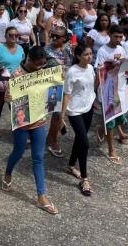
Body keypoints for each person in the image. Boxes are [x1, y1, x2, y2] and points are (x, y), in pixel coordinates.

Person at [2, 46, 58, 215]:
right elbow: (11, 103)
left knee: (38, 158)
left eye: (43, 64)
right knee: (18, 153)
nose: (41, 67)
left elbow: (52, 92)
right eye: (38, 64)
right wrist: (8, 99)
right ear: (29, 60)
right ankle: (8, 173)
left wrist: (57, 83)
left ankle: (42, 196)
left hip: (39, 122)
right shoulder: (17, 76)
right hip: (22, 125)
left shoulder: (45, 72)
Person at [61, 44, 95, 195]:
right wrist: (62, 116)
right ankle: (84, 178)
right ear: (78, 56)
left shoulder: (91, 69)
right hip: (74, 110)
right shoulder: (72, 72)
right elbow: (67, 94)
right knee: (85, 143)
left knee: (80, 140)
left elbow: (92, 87)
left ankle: (70, 165)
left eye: (91, 54)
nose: (89, 57)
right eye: (86, 54)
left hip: (88, 107)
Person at [95, 25, 128, 163]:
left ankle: (101, 128)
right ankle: (111, 150)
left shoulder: (121, 49)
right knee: (110, 120)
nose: (118, 39)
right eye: (115, 36)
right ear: (109, 35)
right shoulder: (102, 51)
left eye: (120, 37)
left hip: (119, 88)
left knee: (118, 117)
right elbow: (99, 71)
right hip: (107, 89)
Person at [0, 26, 25, 137]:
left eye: (16, 35)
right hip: (2, 81)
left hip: (17, 81)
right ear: (5, 36)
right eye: (11, 35)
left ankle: (19, 128)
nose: (14, 37)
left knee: (18, 106)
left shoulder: (20, 48)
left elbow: (21, 62)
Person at [44, 26, 73, 157]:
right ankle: (51, 140)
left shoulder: (69, 49)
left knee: (60, 115)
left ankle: (51, 138)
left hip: (67, 87)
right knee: (53, 115)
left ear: (65, 38)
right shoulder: (45, 51)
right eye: (52, 35)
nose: (54, 38)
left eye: (57, 36)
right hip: (52, 88)